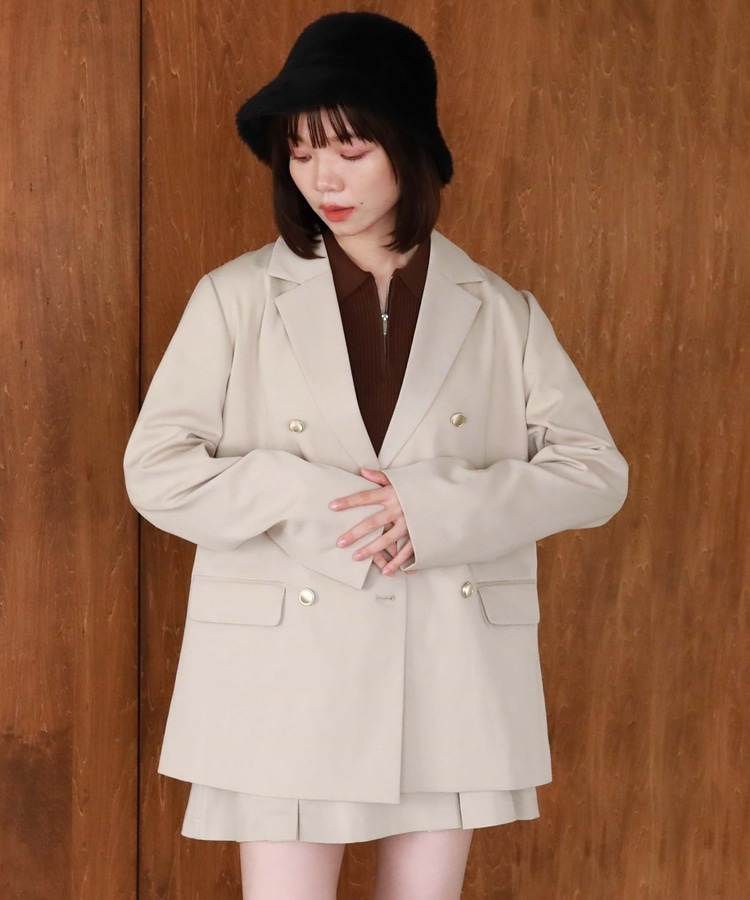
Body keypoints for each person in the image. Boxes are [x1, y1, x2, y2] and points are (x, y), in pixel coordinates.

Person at [123, 11, 628, 900]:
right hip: (284, 670)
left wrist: (433, 509)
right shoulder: (236, 298)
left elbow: (595, 473)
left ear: (408, 147)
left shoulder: (499, 309)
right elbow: (156, 468)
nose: (322, 177)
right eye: (301, 151)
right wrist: (305, 497)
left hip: (448, 662)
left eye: (350, 150)